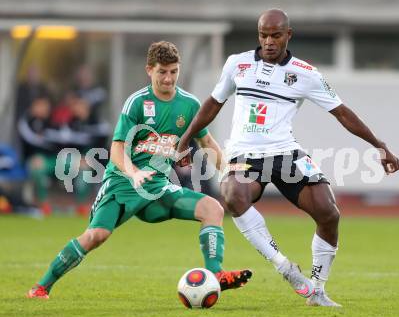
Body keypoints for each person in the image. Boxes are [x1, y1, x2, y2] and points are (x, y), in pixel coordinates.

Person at [176, 9, 399, 307]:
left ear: (288, 35)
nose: (268, 41)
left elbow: (342, 113)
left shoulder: (305, 73)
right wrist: (185, 140)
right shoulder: (237, 64)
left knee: (328, 213)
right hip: (245, 154)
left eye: (275, 35)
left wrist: (379, 145)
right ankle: (285, 267)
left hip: (285, 152)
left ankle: (318, 291)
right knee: (232, 195)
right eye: (263, 35)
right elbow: (212, 104)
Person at [27, 41, 252, 299]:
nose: (168, 78)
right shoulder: (136, 103)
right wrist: (134, 173)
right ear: (149, 70)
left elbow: (206, 142)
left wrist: (227, 172)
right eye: (162, 72)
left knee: (213, 209)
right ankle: (42, 286)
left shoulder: (189, 105)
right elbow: (116, 149)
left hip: (157, 188)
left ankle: (216, 275)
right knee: (96, 235)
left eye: (173, 72)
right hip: (123, 184)